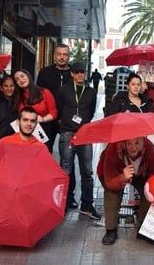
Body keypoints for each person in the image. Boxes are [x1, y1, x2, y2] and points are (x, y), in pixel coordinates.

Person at [56, 62, 100, 219]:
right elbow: (59, 109)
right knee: (65, 170)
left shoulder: (91, 92)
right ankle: (65, 203)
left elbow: (92, 110)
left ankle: (87, 204)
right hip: (67, 133)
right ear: (72, 74)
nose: (80, 74)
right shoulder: (64, 90)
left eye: (83, 72)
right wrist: (65, 122)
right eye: (77, 72)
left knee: (87, 171)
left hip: (85, 134)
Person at [97, 137, 154, 246]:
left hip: (141, 174)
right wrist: (122, 178)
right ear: (123, 143)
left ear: (143, 142)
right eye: (129, 144)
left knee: (151, 192)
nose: (133, 147)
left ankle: (143, 226)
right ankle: (111, 230)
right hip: (113, 174)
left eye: (136, 143)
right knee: (112, 194)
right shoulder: (113, 148)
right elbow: (110, 182)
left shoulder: (150, 148)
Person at [35, 44, 77, 208]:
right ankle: (44, 192)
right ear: (54, 56)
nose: (62, 57)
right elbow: (37, 95)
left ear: (69, 56)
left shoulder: (74, 73)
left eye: (65, 54)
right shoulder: (45, 73)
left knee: (68, 160)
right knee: (44, 156)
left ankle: (69, 195)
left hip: (68, 123)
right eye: (59, 54)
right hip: (48, 121)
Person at [13, 69, 58, 154]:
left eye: (22, 76)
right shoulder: (17, 97)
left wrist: (43, 119)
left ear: (28, 76)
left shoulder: (44, 92)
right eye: (17, 80)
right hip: (24, 132)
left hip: (43, 130)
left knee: (43, 158)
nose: (21, 80)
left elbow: (54, 113)